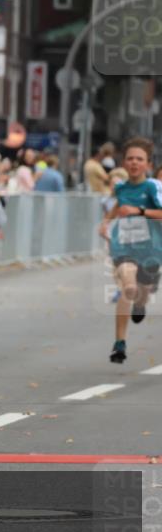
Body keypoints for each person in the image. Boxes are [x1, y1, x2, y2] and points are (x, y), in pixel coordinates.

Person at [99, 137, 162, 364]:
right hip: (124, 246)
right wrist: (105, 223)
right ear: (124, 162)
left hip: (151, 249)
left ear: (148, 164)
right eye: (130, 158)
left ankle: (141, 304)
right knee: (128, 287)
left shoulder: (153, 187)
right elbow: (119, 206)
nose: (134, 162)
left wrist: (140, 211)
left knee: (141, 293)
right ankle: (120, 343)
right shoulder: (120, 188)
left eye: (139, 159)